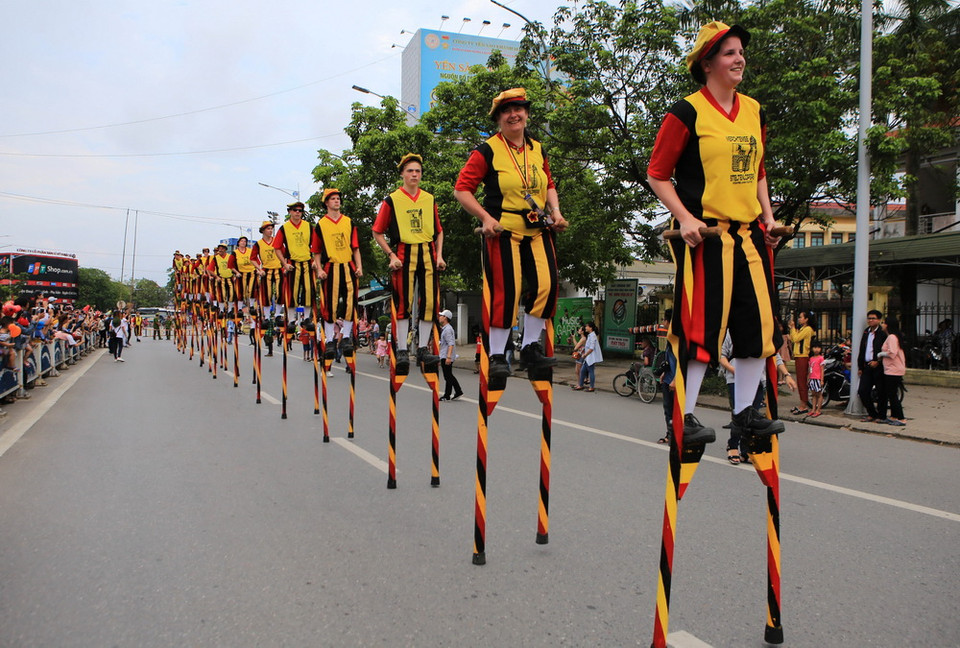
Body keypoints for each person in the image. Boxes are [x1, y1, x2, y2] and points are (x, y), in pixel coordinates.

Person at [647, 21, 784, 444]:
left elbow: (758, 171)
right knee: (700, 327)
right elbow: (657, 174)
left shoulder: (754, 109)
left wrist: (769, 217)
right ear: (707, 63)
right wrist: (685, 218)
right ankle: (682, 417)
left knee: (757, 327)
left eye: (740, 51)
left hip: (749, 235)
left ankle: (746, 414)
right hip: (704, 234)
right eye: (728, 52)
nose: (739, 58)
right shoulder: (687, 111)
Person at [454, 87, 568, 382]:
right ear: (498, 118)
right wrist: (485, 218)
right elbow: (461, 189)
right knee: (507, 291)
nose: (513, 114)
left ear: (527, 114)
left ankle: (530, 348)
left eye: (518, 108)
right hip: (504, 231)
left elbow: (549, 184)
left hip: (538, 229)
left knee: (548, 285)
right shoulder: (487, 150)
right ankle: (496, 355)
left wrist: (555, 212)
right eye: (506, 111)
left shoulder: (538, 148)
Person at [373, 153, 444, 374]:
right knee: (402, 302)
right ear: (402, 173)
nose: (414, 174)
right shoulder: (392, 200)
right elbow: (377, 231)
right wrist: (391, 255)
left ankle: (422, 348)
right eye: (410, 171)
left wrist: (439, 256)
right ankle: (402, 349)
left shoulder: (429, 198)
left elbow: (439, 231)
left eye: (418, 171)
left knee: (430, 303)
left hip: (428, 252)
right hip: (404, 252)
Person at [312, 189, 363, 360]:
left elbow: (355, 247)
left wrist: (359, 266)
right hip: (330, 266)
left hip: (347, 265)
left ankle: (347, 336)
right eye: (333, 199)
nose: (336, 201)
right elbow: (316, 251)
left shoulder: (348, 222)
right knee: (330, 304)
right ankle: (329, 341)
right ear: (326, 203)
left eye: (338, 198)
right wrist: (319, 269)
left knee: (350, 301)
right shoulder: (321, 225)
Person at [273, 201, 318, 323]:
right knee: (292, 291)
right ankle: (291, 319)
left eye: (300, 211)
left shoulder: (308, 226)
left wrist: (315, 261)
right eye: (295, 210)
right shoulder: (284, 228)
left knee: (309, 290)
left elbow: (317, 245)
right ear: (289, 212)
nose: (298, 213)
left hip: (307, 262)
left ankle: (307, 317)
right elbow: (277, 247)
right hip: (292, 263)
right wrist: (284, 264)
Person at [856, 309, 887, 422]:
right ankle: (872, 413)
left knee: (881, 392)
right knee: (862, 391)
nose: (870, 320)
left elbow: (886, 350)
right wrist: (860, 367)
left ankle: (882, 415)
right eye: (869, 318)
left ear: (878, 320)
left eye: (873, 318)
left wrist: (878, 361)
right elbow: (862, 349)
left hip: (878, 366)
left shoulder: (882, 334)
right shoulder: (866, 332)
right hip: (867, 366)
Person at [877, 316, 906, 426]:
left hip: (893, 369)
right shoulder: (893, 336)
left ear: (888, 325)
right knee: (891, 393)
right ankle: (894, 416)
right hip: (892, 369)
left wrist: (880, 354)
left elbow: (892, 353)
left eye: (884, 323)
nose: (882, 325)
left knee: (892, 395)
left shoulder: (892, 337)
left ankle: (901, 418)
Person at [251, 221, 282, 315]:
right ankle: (267, 316)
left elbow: (284, 253)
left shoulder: (277, 240)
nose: (270, 231)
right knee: (266, 294)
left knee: (280, 293)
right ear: (263, 231)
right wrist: (259, 269)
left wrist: (285, 266)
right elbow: (252, 258)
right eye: (268, 229)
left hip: (278, 269)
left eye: (271, 229)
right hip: (266, 270)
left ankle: (277, 315)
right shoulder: (258, 244)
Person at [788, 310, 815, 414]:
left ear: (806, 319)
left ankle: (803, 405)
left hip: (803, 356)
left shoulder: (807, 329)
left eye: (801, 317)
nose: (799, 319)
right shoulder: (803, 329)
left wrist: (792, 328)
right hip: (799, 356)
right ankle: (802, 403)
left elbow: (795, 338)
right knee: (800, 381)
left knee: (802, 381)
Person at [437, 309, 463, 401]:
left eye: (441, 316)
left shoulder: (447, 329)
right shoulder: (446, 329)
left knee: (448, 376)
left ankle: (447, 395)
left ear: (445, 318)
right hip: (445, 354)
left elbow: (450, 344)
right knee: (448, 375)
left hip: (446, 355)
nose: (439, 317)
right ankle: (458, 391)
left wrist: (448, 357)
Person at [572, 321, 602, 391]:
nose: (585, 328)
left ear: (590, 328)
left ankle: (591, 387)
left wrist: (585, 354)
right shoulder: (590, 335)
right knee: (582, 371)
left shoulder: (593, 336)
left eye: (586, 326)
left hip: (590, 357)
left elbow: (591, 348)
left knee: (591, 371)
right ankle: (580, 385)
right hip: (587, 357)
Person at [230, 236, 257, 312]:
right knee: (241, 291)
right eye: (241, 241)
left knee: (252, 290)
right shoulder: (235, 253)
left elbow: (256, 260)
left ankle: (251, 306)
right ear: (238, 242)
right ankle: (239, 308)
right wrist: (236, 272)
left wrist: (258, 269)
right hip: (241, 274)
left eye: (245, 241)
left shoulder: (250, 251)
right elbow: (230, 265)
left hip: (252, 272)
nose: (243, 242)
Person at [807, 340, 825, 418]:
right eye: (814, 347)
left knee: (819, 394)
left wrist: (821, 380)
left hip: (817, 378)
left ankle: (818, 410)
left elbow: (822, 370)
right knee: (813, 394)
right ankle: (813, 409)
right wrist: (808, 379)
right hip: (812, 378)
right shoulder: (811, 358)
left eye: (818, 348)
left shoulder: (821, 358)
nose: (816, 349)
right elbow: (810, 369)